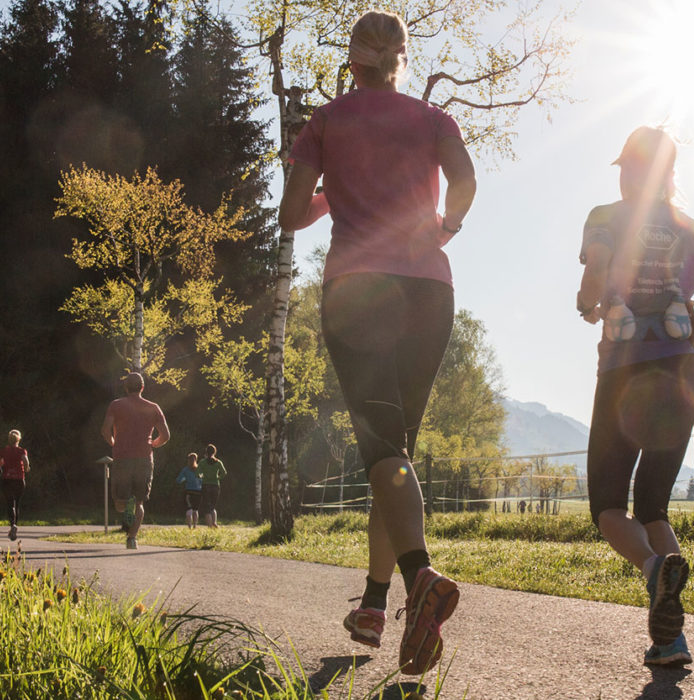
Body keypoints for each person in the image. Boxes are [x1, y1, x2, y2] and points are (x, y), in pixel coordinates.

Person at [278, 9, 477, 677]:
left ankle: (421, 578)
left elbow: (290, 214)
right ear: (400, 60)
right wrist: (443, 227)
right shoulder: (432, 120)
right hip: (430, 290)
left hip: (361, 289)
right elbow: (467, 181)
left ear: (352, 59)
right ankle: (372, 603)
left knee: (383, 450)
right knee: (397, 458)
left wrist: (331, 188)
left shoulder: (327, 121)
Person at [575, 126, 694, 667]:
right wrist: (690, 325)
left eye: (627, 167)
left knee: (606, 506)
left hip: (626, 375)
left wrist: (587, 300)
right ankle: (670, 639)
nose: (624, 177)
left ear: (635, 171)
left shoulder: (605, 216)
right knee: (653, 507)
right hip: (682, 373)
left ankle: (653, 574)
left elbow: (597, 274)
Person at [100, 372, 170, 549]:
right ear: (143, 387)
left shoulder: (116, 405)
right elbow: (166, 435)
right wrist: (153, 444)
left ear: (125, 387)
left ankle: (128, 513)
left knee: (119, 504)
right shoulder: (153, 407)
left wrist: (114, 443)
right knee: (139, 502)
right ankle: (132, 537)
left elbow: (105, 430)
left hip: (122, 457)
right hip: (144, 458)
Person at [0, 429, 29, 540]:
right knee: (17, 503)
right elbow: (25, 460)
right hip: (19, 480)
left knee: (10, 504)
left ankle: (12, 524)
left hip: (7, 480)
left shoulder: (4, 451)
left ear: (9, 439)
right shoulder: (21, 451)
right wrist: (27, 468)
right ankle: (15, 526)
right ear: (18, 439)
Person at [197, 444, 227, 528]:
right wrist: (218, 477)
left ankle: (210, 527)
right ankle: (214, 523)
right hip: (215, 486)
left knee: (206, 508)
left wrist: (202, 477)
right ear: (215, 452)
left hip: (206, 485)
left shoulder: (202, 462)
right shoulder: (218, 462)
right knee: (212, 506)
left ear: (206, 452)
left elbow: (197, 473)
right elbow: (224, 473)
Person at [177, 453, 204, 529]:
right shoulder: (200, 469)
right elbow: (202, 480)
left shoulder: (185, 470)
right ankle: (195, 526)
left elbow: (178, 480)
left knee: (189, 509)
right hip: (198, 492)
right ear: (196, 460)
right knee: (195, 510)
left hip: (189, 492)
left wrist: (185, 478)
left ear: (188, 460)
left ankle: (189, 527)